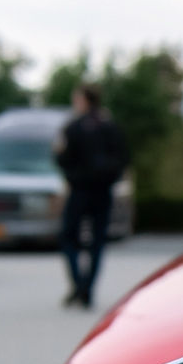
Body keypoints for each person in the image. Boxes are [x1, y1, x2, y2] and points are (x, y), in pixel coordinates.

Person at [55, 84, 129, 309]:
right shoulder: (110, 126)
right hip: (103, 192)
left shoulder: (74, 127)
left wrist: (63, 161)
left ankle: (79, 284)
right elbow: (124, 158)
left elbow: (63, 159)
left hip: (79, 190)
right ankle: (87, 289)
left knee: (69, 237)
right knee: (97, 241)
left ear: (84, 100)